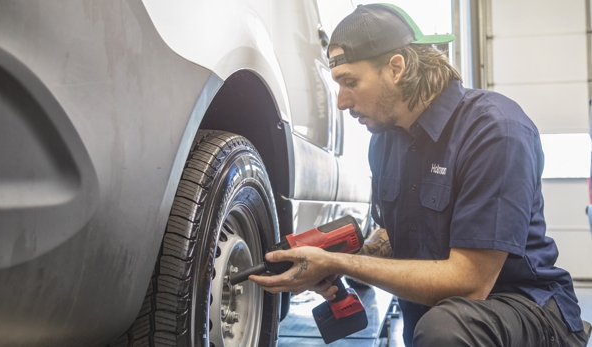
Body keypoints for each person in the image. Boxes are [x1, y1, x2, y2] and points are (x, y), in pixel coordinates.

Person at [250, 3, 590, 346]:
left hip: (524, 310)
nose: (340, 102)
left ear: (396, 68)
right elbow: (392, 233)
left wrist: (339, 261)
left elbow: (471, 283)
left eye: (350, 82)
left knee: (443, 330)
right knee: (436, 329)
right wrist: (337, 264)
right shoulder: (383, 143)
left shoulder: (495, 130)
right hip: (440, 321)